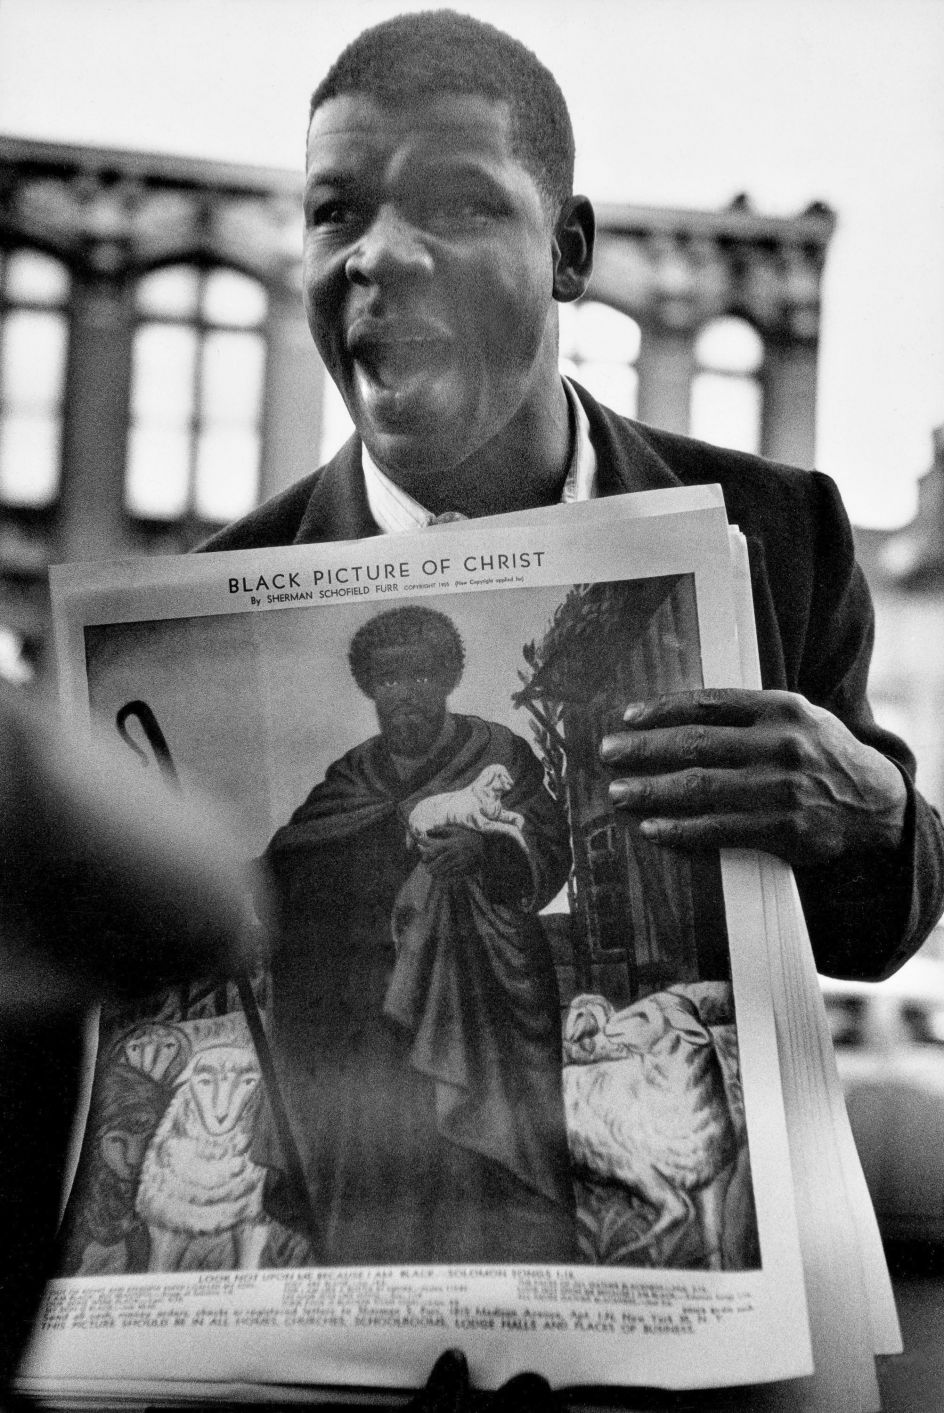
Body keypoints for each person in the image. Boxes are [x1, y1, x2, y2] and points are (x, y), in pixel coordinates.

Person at [201, 9, 943, 985]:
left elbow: (866, 937)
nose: (376, 255)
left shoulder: (776, 532)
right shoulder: (217, 599)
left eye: (457, 205)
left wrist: (870, 818)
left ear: (567, 251)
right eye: (333, 211)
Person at [255, 605, 578, 1265]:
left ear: (449, 679)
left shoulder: (496, 753)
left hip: (472, 1002)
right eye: (389, 678)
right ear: (371, 688)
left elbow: (547, 846)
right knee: (365, 1149)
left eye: (422, 674)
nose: (405, 692)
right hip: (365, 1015)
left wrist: (485, 854)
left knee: (461, 1165)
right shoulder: (353, 776)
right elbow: (292, 861)